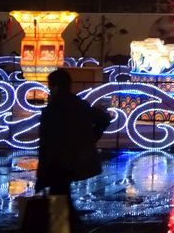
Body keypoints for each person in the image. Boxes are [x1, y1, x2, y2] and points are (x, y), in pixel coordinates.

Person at [36, 68, 111, 228]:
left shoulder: (52, 109)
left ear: (54, 87)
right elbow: (104, 118)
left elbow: (46, 143)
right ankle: (69, 225)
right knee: (63, 195)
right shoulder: (79, 105)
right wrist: (92, 138)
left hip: (57, 161)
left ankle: (63, 227)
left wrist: (41, 175)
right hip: (76, 158)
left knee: (59, 197)